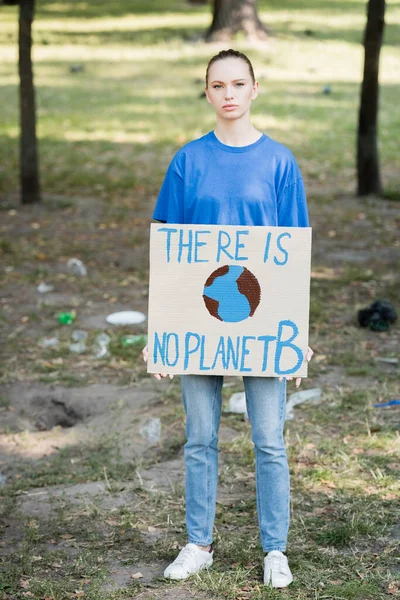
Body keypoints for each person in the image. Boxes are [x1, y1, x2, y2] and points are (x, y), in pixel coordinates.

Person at [141, 48, 313, 588]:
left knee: (269, 440)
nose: (229, 94)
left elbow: (292, 256)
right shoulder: (187, 162)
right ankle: (198, 543)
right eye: (218, 85)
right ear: (208, 92)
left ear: (255, 89)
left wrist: (298, 337)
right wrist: (160, 333)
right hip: (197, 321)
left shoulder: (280, 163)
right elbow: (170, 251)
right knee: (200, 438)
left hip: (261, 324)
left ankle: (275, 550)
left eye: (239, 83)